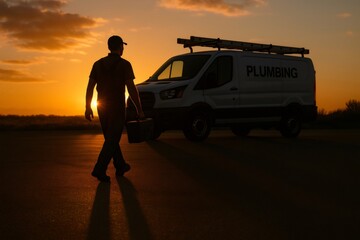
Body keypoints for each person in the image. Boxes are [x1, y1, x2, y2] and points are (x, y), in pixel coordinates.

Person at [85, 35, 144, 182]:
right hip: (117, 107)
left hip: (102, 107)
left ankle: (120, 165)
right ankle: (99, 168)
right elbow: (131, 89)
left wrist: (88, 107)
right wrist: (139, 109)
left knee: (111, 139)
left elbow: (90, 87)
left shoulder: (97, 64)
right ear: (120, 47)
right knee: (112, 139)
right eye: (122, 46)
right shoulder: (125, 64)